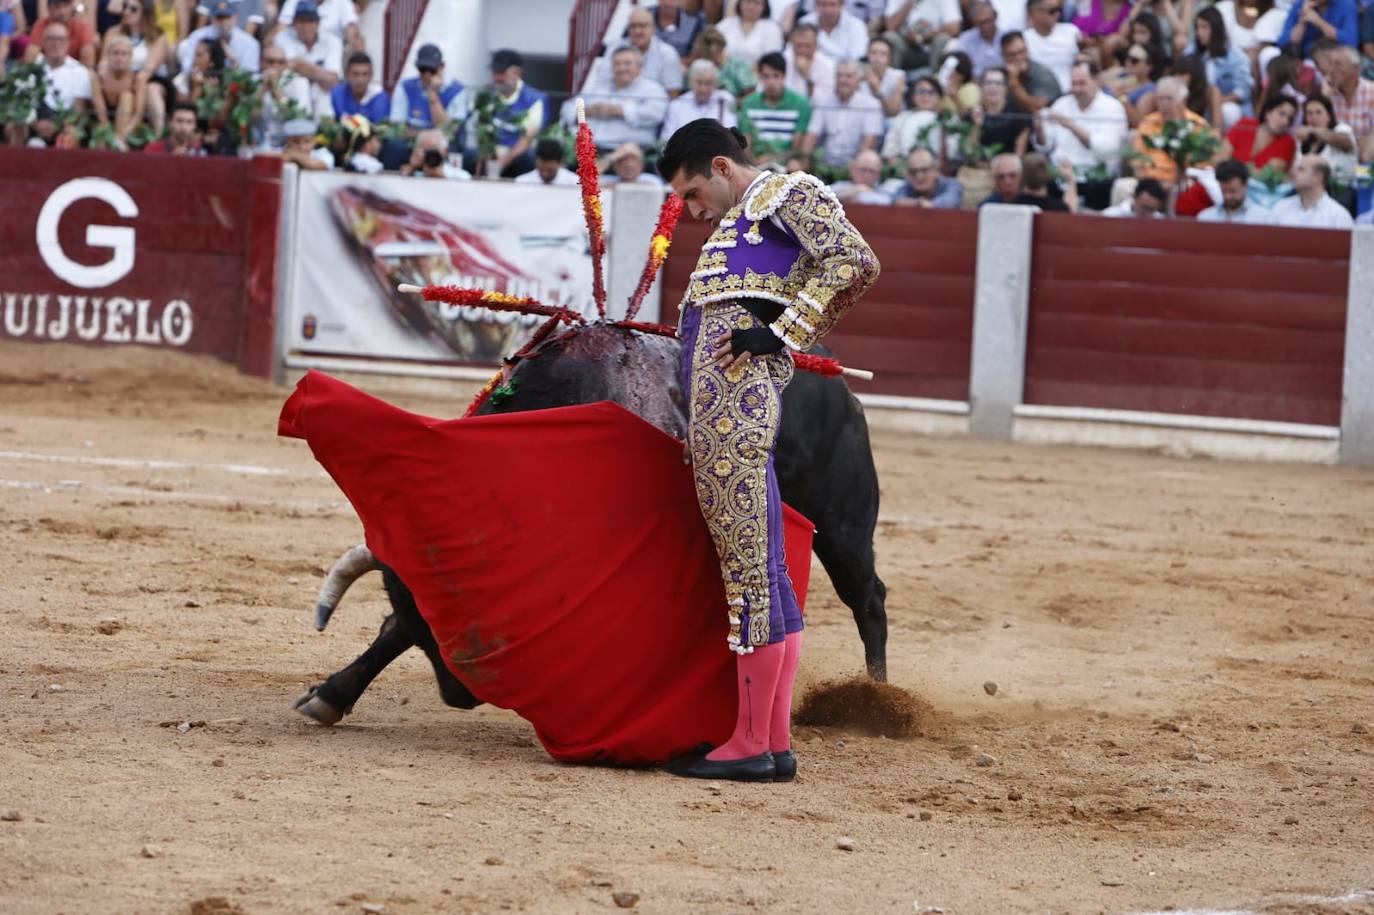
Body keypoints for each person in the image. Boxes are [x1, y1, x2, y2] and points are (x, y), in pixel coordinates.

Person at [657, 118, 879, 782]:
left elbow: (855, 260)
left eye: (694, 192)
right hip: (725, 419)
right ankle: (771, 741)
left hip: (737, 418)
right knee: (769, 576)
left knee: (751, 577)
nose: (693, 210)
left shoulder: (784, 193)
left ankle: (750, 743)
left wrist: (782, 334)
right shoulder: (743, 220)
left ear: (721, 167)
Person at [565, 46, 670, 150]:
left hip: (627, 152)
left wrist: (619, 110)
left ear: (639, 66)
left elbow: (655, 114)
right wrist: (587, 111)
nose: (621, 68)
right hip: (585, 148)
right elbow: (567, 108)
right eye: (617, 64)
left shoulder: (652, 89)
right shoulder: (598, 86)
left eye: (627, 63)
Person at [1035, 59, 1128, 177]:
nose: (1077, 89)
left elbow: (1108, 151)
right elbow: (1046, 145)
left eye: (1082, 83)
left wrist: (1071, 126)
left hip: (1097, 177)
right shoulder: (1061, 104)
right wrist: (1039, 131)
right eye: (1074, 84)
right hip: (1061, 173)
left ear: (1096, 81)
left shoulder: (1113, 108)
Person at [473, 48, 548, 178]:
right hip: (492, 156)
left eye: (501, 72)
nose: (496, 77)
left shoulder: (534, 99)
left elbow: (526, 140)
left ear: (518, 73)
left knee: (528, 157)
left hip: (517, 158)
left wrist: (498, 167)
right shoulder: (487, 95)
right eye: (494, 72)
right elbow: (482, 135)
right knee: (470, 155)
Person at [1131, 75, 1217, 184]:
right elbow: (1138, 162)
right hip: (1151, 183)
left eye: (1169, 99)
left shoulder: (1198, 125)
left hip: (1185, 181)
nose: (1164, 104)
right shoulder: (1148, 123)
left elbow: (1205, 165)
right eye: (1160, 99)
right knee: (1123, 186)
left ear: (1183, 101)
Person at [800, 58, 884, 167]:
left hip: (856, 166)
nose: (843, 80)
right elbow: (811, 137)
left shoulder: (871, 104)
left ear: (858, 80)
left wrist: (853, 170)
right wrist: (803, 167)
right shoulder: (824, 101)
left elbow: (869, 142)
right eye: (839, 76)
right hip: (825, 164)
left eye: (848, 76)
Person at [1183, 7, 1253, 128]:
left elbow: (1242, 91)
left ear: (1215, 29)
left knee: (1229, 111)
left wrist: (1215, 102)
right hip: (1196, 102)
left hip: (1224, 103)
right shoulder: (1192, 50)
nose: (1199, 32)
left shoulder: (1236, 56)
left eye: (1204, 27)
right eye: (1197, 27)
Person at [737, 51, 812, 162]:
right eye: (766, 77)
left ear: (784, 76)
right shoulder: (749, 103)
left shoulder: (801, 104)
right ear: (760, 77)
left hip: (787, 167)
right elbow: (746, 144)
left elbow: (796, 147)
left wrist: (773, 159)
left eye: (776, 76)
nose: (771, 82)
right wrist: (753, 164)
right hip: (756, 166)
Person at [272, 0, 341, 118]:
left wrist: (303, 67)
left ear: (318, 23)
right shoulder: (282, 37)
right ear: (293, 23)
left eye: (310, 21)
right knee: (300, 84)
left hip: (321, 88)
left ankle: (324, 132)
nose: (306, 26)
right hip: (291, 88)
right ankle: (302, 128)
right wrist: (321, 73)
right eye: (301, 21)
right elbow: (292, 66)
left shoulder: (332, 41)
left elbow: (333, 81)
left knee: (322, 92)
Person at [389, 43, 467, 134]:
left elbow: (448, 131)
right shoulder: (405, 87)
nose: (427, 75)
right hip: (412, 143)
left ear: (442, 67)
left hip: (444, 145)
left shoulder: (457, 91)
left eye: (432, 70)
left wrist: (432, 94)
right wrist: (426, 137)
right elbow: (397, 128)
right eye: (422, 69)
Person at [1317, 44, 1374, 161]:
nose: (1332, 69)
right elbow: (1319, 131)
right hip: (1335, 155)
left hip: (1364, 154)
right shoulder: (1326, 93)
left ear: (1356, 68)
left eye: (1338, 64)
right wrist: (1325, 100)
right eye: (1330, 64)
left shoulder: (1371, 91)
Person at [882, 74, 955, 164]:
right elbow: (890, 150)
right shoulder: (903, 117)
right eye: (921, 91)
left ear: (939, 96)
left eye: (931, 92)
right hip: (905, 168)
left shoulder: (947, 119)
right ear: (913, 96)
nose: (925, 96)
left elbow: (952, 153)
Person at [1266, 153, 1354, 228]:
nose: (1293, 173)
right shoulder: (1281, 207)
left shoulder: (1338, 216)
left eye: (1301, 169)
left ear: (1318, 176)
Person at [255, 41, 313, 150]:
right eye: (271, 62)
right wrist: (263, 89)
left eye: (280, 62)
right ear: (261, 63)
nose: (275, 66)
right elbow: (248, 118)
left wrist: (276, 89)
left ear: (286, 65)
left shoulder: (299, 82)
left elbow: (298, 119)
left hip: (290, 144)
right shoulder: (253, 81)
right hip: (260, 142)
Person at [661, 58, 738, 140]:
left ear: (716, 83)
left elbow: (731, 135)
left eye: (708, 83)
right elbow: (667, 139)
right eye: (699, 82)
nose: (703, 89)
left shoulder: (725, 99)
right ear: (690, 82)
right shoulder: (677, 105)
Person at [177, 0, 258, 73]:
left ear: (235, 18)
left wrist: (232, 59)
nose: (224, 22)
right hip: (203, 80)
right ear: (212, 19)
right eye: (220, 17)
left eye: (227, 17)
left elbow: (251, 75)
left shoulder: (249, 42)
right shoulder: (198, 36)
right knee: (183, 45)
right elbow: (186, 68)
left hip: (235, 85)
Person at [1295, 94, 1357, 189]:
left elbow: (1346, 143)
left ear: (1329, 115)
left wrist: (1313, 130)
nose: (1314, 117)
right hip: (1307, 190)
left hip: (1340, 190)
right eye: (1309, 113)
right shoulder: (1305, 140)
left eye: (1318, 112)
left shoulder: (1341, 129)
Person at [92, 33, 144, 146]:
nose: (119, 58)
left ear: (130, 58)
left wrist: (121, 135)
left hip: (129, 126)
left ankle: (120, 144)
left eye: (124, 54)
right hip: (105, 124)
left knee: (127, 97)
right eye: (115, 53)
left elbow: (138, 115)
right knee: (100, 137)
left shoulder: (137, 79)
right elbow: (101, 114)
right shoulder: (99, 78)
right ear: (108, 56)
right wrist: (110, 135)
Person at [616, 7, 684, 93]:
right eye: (633, 26)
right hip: (618, 101)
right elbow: (604, 81)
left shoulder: (668, 53)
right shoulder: (615, 48)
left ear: (653, 27)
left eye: (642, 25)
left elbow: (673, 92)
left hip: (653, 104)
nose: (637, 31)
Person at [881, 0, 961, 70]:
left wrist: (923, 37)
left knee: (943, 39)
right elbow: (890, 26)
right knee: (889, 37)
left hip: (932, 50)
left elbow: (954, 28)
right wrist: (910, 2)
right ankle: (892, 81)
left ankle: (935, 83)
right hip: (907, 49)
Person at [1226, 95, 1299, 171]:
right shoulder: (1245, 124)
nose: (1285, 122)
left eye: (1290, 119)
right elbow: (1221, 157)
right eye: (1281, 114)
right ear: (1268, 112)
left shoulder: (1287, 142)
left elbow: (1266, 174)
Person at [970, 66, 1031, 157]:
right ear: (981, 87)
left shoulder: (1018, 115)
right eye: (988, 83)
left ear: (1006, 88)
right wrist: (977, 126)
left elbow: (1019, 155)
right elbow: (971, 151)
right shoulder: (973, 113)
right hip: (981, 166)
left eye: (998, 83)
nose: (992, 87)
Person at [1024, 0, 1081, 91]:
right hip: (1040, 94)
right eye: (1052, 10)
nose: (1058, 14)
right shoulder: (1024, 39)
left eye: (1059, 9)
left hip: (1074, 91)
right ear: (1036, 13)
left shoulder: (1071, 31)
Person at [1001, 29, 1061, 113]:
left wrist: (1014, 83)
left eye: (1021, 52)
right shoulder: (999, 74)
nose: (1018, 58)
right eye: (1012, 55)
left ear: (1027, 49)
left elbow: (1037, 107)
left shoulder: (1043, 74)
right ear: (1003, 56)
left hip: (1047, 122)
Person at [1278, 0, 1358, 60]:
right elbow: (1283, 43)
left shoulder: (1346, 4)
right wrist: (1302, 22)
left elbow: (1351, 42)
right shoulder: (1299, 5)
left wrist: (1318, 22)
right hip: (1304, 60)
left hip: (1334, 60)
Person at [25, 0, 94, 66]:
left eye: (66, 5)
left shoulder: (83, 27)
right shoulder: (40, 25)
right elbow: (31, 57)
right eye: (57, 6)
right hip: (47, 69)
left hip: (75, 71)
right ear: (49, 9)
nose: (62, 11)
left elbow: (88, 62)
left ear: (72, 7)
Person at [718, 0, 785, 66]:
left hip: (758, 74)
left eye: (756, 3)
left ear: (764, 7)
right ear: (740, 3)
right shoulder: (726, 24)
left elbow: (771, 59)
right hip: (723, 70)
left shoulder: (772, 29)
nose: (751, 7)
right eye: (747, 1)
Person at [275, 0, 358, 53]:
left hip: (332, 50)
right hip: (296, 48)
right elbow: (281, 30)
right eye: (303, 21)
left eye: (310, 21)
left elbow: (352, 32)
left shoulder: (343, 2)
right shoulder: (293, 1)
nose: (307, 26)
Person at [894, 145, 964, 206]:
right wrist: (919, 203)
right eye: (913, 172)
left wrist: (918, 204)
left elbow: (949, 203)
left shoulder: (952, 185)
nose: (919, 176)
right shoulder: (907, 187)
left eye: (924, 170)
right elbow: (896, 202)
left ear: (936, 171)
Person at [800, 0, 870, 61]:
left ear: (842, 5)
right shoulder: (804, 23)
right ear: (816, 5)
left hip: (845, 73)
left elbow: (858, 58)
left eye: (832, 4)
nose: (827, 10)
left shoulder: (857, 26)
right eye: (823, 4)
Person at [330, 51, 388, 123]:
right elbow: (329, 123)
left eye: (365, 74)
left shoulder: (380, 97)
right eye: (355, 74)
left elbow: (380, 130)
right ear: (347, 75)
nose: (360, 80)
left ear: (371, 76)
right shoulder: (337, 93)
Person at [1196, 157, 1260, 222]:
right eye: (1224, 191)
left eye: (1232, 191)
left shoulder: (1263, 218)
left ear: (1245, 185)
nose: (1228, 196)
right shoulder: (1205, 218)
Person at [783, 21, 836, 99]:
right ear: (791, 44)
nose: (803, 50)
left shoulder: (828, 66)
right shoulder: (781, 61)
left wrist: (807, 76)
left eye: (808, 45)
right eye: (799, 45)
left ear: (816, 45)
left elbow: (824, 100)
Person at [954, 1, 1004, 77]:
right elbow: (959, 65)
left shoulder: (1007, 36)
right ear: (973, 21)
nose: (986, 26)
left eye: (988, 20)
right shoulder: (966, 39)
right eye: (981, 23)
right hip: (976, 82)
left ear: (995, 16)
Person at [399, 127, 471, 179]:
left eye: (434, 150)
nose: (430, 155)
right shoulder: (412, 174)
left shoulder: (460, 176)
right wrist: (411, 168)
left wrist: (439, 175)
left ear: (445, 151)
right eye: (425, 151)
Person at [830, 148, 895, 203]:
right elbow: (826, 196)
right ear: (852, 170)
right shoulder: (840, 186)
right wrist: (856, 190)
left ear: (879, 175)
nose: (867, 175)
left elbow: (887, 202)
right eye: (863, 169)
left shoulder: (884, 192)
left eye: (872, 171)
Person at [862, 35, 905, 116]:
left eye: (883, 54)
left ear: (889, 58)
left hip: (889, 120)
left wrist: (878, 90)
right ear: (867, 55)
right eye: (873, 52)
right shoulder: (859, 75)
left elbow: (893, 112)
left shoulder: (898, 76)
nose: (877, 57)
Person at [514, 137, 580, 186]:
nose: (545, 174)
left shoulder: (574, 183)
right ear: (535, 161)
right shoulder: (521, 182)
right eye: (541, 169)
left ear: (560, 163)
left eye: (550, 170)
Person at [1101, 176, 1168, 215]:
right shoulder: (1110, 215)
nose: (1147, 214)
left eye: (1152, 210)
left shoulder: (1160, 221)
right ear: (1134, 197)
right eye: (1145, 208)